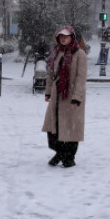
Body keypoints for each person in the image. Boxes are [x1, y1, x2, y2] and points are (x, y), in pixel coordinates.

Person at [42, 25, 88, 168]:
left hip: (71, 96)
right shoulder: (57, 52)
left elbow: (81, 78)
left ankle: (68, 157)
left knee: (70, 127)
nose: (63, 39)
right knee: (54, 127)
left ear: (72, 38)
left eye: (66, 36)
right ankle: (60, 152)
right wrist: (48, 92)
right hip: (57, 95)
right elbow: (51, 74)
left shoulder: (80, 54)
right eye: (61, 37)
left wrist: (77, 97)